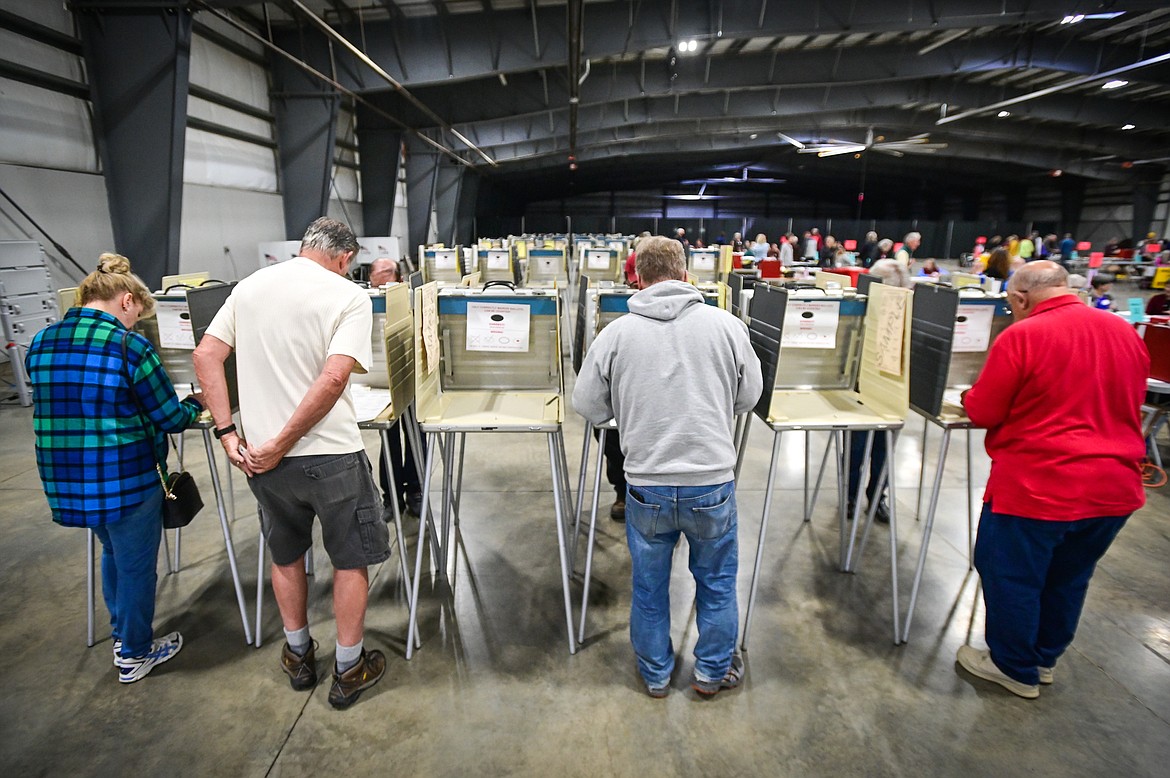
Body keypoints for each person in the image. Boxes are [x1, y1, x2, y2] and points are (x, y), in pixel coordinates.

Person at [193, 217, 390, 709]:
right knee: (350, 559)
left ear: (303, 247)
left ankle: (299, 655)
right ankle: (348, 668)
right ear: (345, 259)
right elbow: (332, 380)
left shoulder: (249, 286)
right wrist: (285, 440)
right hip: (330, 454)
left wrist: (227, 432)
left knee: (286, 555)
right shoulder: (349, 297)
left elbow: (205, 356)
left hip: (261, 459)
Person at [573, 235, 762, 699]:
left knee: (649, 587)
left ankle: (656, 673)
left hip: (646, 487)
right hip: (711, 483)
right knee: (716, 584)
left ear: (636, 276)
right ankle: (713, 673)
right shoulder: (727, 326)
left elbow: (588, 406)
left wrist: (629, 411)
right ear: (685, 274)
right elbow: (749, 397)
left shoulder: (615, 333)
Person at [957, 260, 1148, 699]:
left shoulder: (1023, 335)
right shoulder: (1122, 331)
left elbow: (985, 410)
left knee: (1011, 575)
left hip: (1037, 487)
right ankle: (1044, 659)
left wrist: (969, 394)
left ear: (1021, 298)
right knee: (1069, 577)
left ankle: (1013, 667)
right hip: (1114, 488)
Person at [26, 253, 203, 683]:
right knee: (138, 566)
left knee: (114, 553)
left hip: (67, 478)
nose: (137, 325)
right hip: (125, 479)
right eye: (138, 316)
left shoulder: (41, 341)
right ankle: (136, 654)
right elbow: (169, 417)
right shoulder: (129, 346)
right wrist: (197, 403)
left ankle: (121, 634)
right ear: (126, 301)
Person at [367, 257, 424, 518]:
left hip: (411, 375)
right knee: (388, 438)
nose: (381, 276)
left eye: (387, 272)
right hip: (381, 379)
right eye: (377, 272)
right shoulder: (363, 301)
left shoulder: (413, 298)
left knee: (415, 434)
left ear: (399, 276)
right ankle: (391, 497)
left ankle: (415, 490)